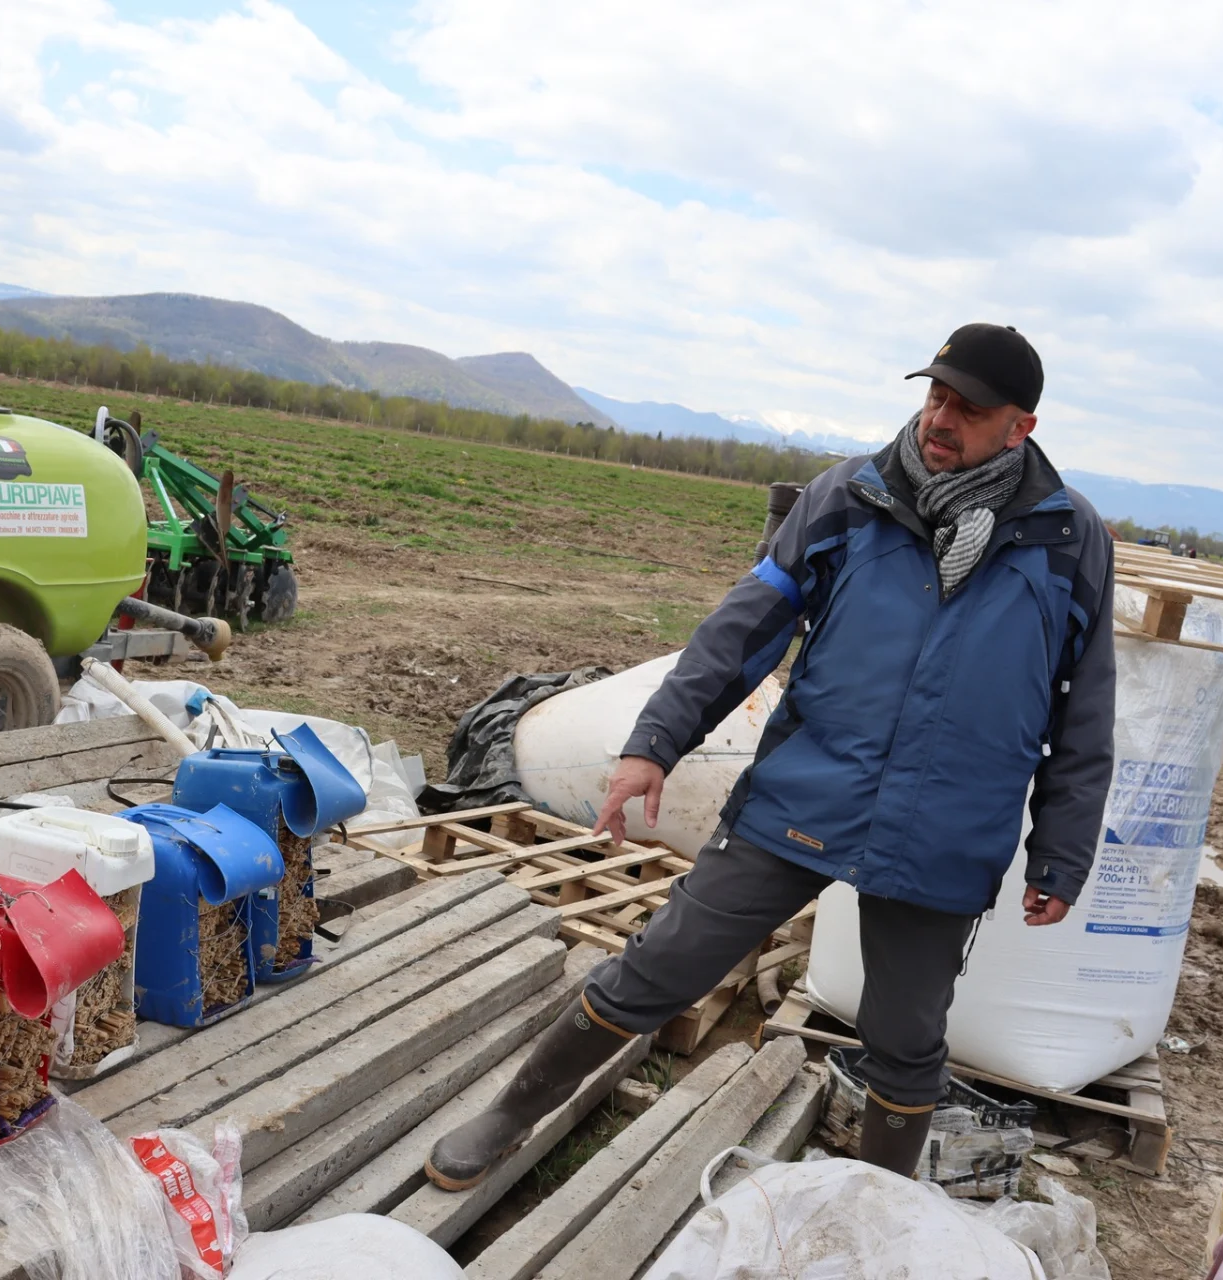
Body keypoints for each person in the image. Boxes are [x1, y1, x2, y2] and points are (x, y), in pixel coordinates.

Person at [425, 323, 1117, 1190]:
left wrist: (1062, 849)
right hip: (809, 792)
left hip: (946, 826)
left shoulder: (1067, 539)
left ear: (1021, 428)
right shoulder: (851, 498)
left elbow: (1084, 708)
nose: (942, 417)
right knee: (662, 965)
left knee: (906, 1040)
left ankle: (875, 1210)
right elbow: (741, 630)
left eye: (969, 408)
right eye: (935, 393)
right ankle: (507, 1115)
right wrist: (655, 744)